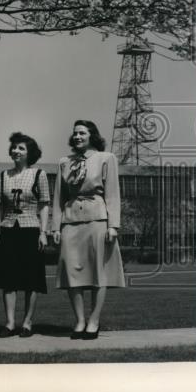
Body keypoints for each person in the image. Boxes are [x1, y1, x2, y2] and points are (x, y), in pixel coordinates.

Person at [51, 119, 126, 339]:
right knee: (71, 272)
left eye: (82, 133)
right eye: (75, 133)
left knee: (98, 272)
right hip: (70, 219)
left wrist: (113, 225)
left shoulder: (106, 158)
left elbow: (113, 194)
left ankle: (94, 320)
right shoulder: (65, 162)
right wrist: (55, 227)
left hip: (97, 219)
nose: (77, 137)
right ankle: (80, 320)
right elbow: (58, 197)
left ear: (92, 135)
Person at [0, 132, 50, 338]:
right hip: (9, 230)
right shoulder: (2, 176)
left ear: (29, 153)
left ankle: (27, 323)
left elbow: (44, 205)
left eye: (21, 148)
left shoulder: (39, 175)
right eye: (14, 147)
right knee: (8, 279)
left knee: (31, 279)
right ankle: (9, 323)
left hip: (30, 229)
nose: (16, 151)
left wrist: (44, 232)